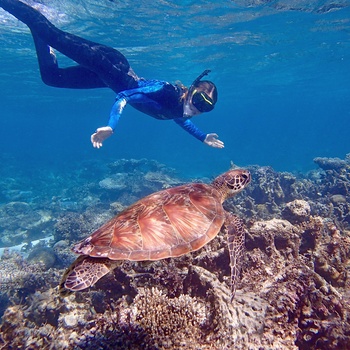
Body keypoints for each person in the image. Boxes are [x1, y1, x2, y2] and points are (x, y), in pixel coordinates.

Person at [0, 0, 224, 149]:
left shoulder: (180, 109)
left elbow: (179, 119)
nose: (197, 109)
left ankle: (37, 29)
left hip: (107, 78)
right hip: (110, 64)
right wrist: (111, 126)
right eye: (198, 101)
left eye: (205, 108)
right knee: (53, 35)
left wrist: (202, 137)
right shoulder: (166, 92)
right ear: (190, 91)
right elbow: (125, 95)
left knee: (51, 78)